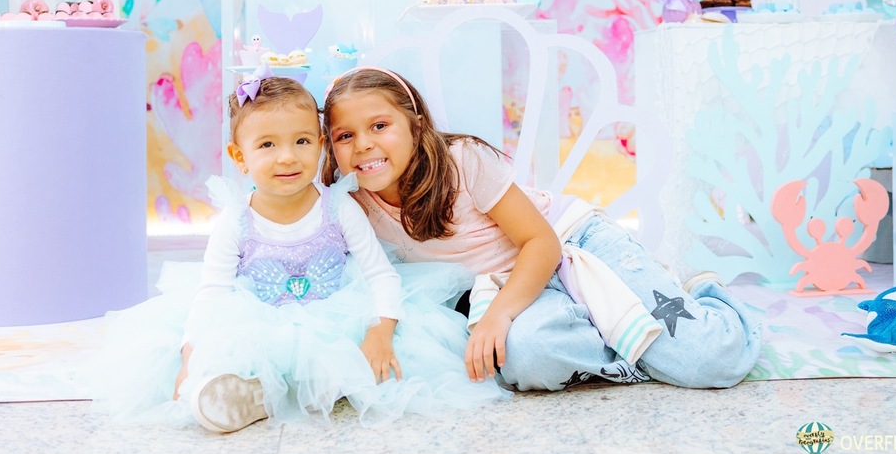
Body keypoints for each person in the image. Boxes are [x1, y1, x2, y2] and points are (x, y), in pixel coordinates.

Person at [92, 69, 505, 434]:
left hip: (336, 318)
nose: (287, 157)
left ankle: (321, 386)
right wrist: (191, 356)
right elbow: (211, 294)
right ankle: (236, 393)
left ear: (321, 145)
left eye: (302, 141)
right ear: (239, 157)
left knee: (372, 360)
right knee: (231, 353)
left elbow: (381, 274)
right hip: (260, 321)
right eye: (267, 145)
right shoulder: (235, 221)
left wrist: (380, 333)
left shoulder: (340, 206)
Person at [321, 66, 762, 392]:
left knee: (708, 362)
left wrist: (497, 316)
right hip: (513, 288)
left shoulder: (462, 160)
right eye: (345, 136)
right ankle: (614, 328)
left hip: (569, 244)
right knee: (526, 360)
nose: (364, 145)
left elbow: (540, 241)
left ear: (416, 127)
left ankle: (701, 296)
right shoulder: (351, 201)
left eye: (380, 126)